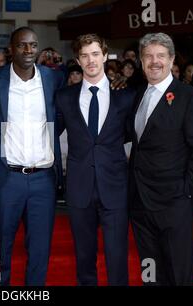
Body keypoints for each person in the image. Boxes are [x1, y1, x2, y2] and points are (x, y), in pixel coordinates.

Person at [129, 32, 193, 286]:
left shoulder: (190, 98)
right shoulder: (138, 95)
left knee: (178, 273)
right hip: (140, 205)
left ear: (172, 59)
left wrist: (186, 192)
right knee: (150, 273)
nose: (155, 61)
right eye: (148, 56)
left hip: (174, 204)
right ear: (142, 62)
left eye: (161, 56)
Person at [55, 34, 134, 286]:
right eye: (85, 55)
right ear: (78, 60)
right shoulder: (64, 97)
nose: (91, 60)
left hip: (115, 188)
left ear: (104, 55)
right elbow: (49, 132)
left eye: (95, 54)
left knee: (117, 258)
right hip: (80, 189)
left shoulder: (125, 95)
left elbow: (135, 134)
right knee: (84, 259)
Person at [0, 27, 64, 286]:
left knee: (39, 251)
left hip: (43, 180)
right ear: (11, 49)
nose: (28, 51)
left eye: (33, 45)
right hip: (7, 178)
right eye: (22, 45)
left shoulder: (52, 79)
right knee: (1, 247)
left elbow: (61, 117)